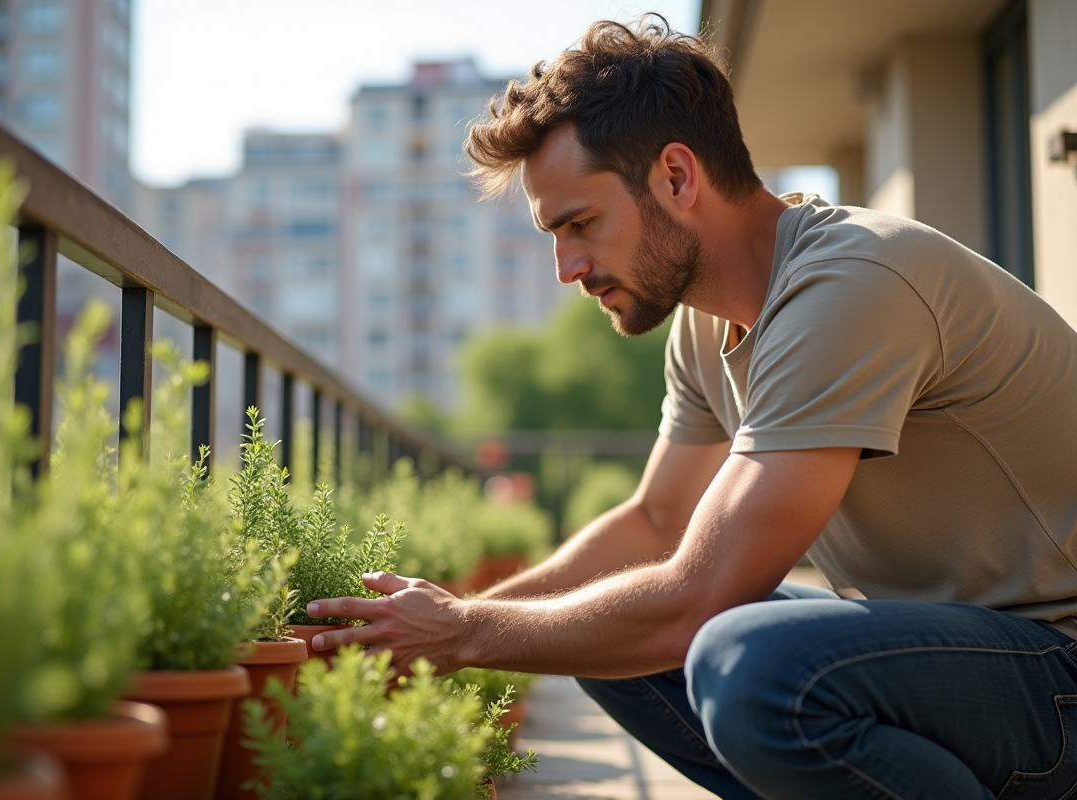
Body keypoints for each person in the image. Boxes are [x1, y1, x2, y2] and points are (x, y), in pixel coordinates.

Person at [306, 14, 1077, 800]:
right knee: (600, 622)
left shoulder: (853, 284)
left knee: (749, 664)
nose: (567, 267)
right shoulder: (707, 324)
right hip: (962, 662)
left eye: (580, 224)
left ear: (677, 177)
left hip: (1060, 675)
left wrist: (466, 635)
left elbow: (699, 597)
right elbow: (654, 524)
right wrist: (449, 622)